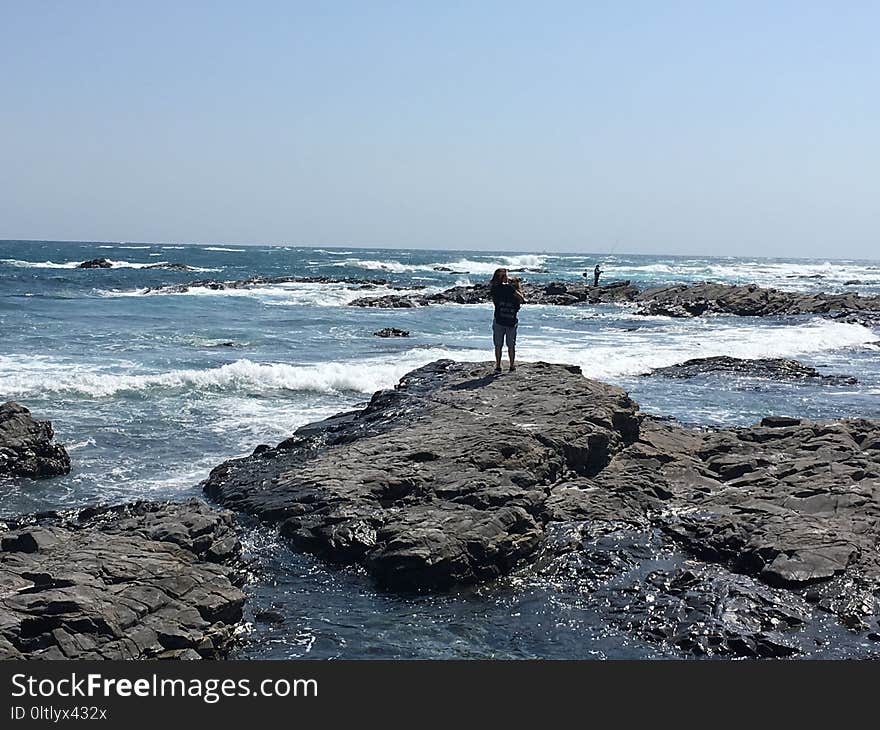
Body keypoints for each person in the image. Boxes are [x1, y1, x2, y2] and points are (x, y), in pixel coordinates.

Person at [489, 268, 525, 373]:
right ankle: (512, 365)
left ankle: (498, 366)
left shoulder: (494, 289)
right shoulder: (510, 289)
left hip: (499, 319)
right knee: (511, 345)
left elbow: (495, 301)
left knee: (498, 345)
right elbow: (521, 298)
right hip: (511, 320)